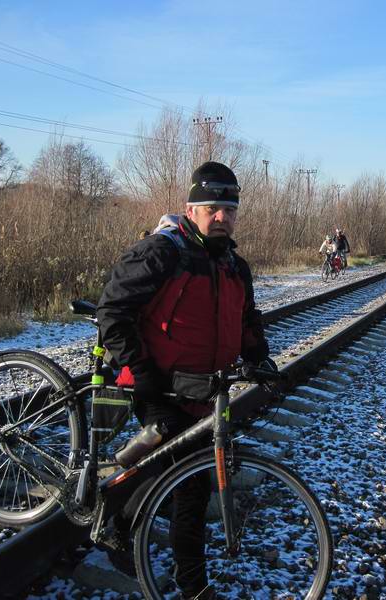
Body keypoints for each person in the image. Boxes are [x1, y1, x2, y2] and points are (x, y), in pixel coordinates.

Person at [97, 161, 271, 598]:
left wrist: (259, 358)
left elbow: (247, 320)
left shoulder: (234, 265)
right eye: (212, 208)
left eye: (229, 210)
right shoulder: (161, 252)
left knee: (179, 476)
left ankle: (116, 521)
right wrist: (140, 372)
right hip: (156, 383)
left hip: (204, 390)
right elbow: (113, 313)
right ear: (191, 208)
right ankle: (192, 587)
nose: (221, 217)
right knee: (191, 484)